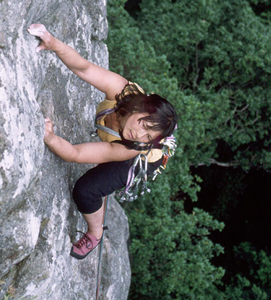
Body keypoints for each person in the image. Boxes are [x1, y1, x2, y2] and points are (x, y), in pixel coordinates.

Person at [28, 24, 177, 260]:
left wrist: (51, 138)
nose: (139, 135)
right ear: (139, 108)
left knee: (86, 191)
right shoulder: (123, 92)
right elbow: (84, 68)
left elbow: (75, 154)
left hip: (142, 161)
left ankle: (95, 234)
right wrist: (53, 43)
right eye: (143, 125)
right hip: (126, 139)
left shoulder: (130, 147)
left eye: (148, 136)